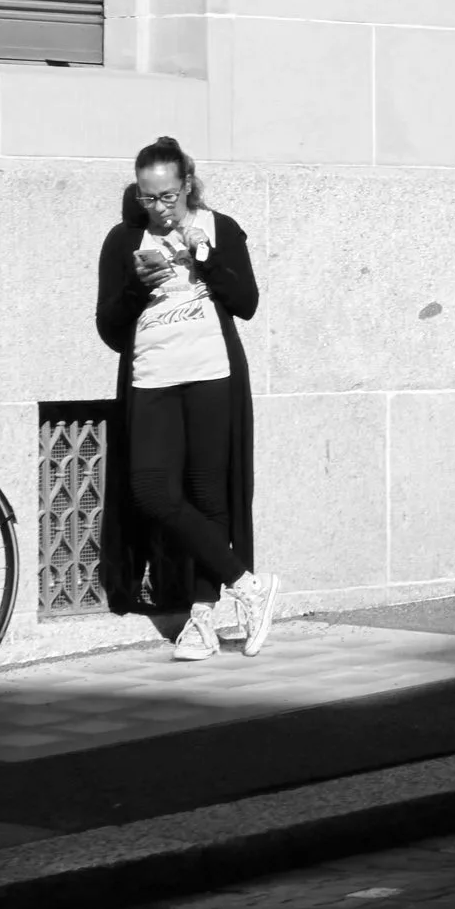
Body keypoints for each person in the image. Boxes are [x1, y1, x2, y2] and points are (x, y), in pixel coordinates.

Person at [94, 137, 282, 660]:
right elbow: (110, 330)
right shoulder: (123, 241)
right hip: (151, 378)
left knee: (208, 495)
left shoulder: (219, 228)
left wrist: (204, 253)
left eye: (167, 196)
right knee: (151, 491)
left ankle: (202, 616)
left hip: (211, 375)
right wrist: (135, 286)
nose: (157, 208)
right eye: (147, 197)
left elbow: (246, 303)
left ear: (187, 185)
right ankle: (248, 585)